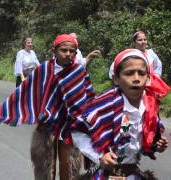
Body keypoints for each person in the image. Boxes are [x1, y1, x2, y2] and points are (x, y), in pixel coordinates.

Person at [0, 34, 94, 180]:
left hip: (70, 125)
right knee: (46, 166)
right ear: (54, 50)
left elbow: (88, 96)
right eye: (63, 50)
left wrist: (90, 119)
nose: (68, 54)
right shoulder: (45, 69)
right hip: (48, 124)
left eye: (71, 51)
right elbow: (29, 91)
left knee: (70, 166)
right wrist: (11, 109)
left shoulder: (79, 71)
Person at [72, 49, 169, 179]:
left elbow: (147, 137)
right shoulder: (105, 105)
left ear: (148, 79)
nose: (136, 78)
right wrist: (100, 156)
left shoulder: (150, 106)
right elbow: (78, 130)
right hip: (108, 174)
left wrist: (157, 145)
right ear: (116, 79)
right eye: (129, 73)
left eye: (141, 73)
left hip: (132, 172)